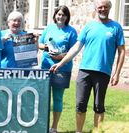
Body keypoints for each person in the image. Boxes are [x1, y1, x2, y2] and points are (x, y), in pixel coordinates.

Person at [50, 0, 125, 132]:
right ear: (96, 9)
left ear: (109, 8)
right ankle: (79, 131)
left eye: (106, 7)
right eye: (100, 7)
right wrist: (61, 63)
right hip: (84, 71)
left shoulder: (116, 27)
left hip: (103, 72)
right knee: (80, 105)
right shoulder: (89, 26)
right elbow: (76, 48)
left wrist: (117, 73)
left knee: (99, 106)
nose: (103, 9)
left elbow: (122, 51)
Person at [38, 5, 77, 133]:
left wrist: (61, 56)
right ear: (55, 15)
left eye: (63, 15)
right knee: (42, 97)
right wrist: (47, 48)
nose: (60, 17)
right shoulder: (49, 28)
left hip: (62, 69)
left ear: (67, 17)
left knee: (58, 98)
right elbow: (39, 43)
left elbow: (73, 51)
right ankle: (41, 125)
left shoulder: (71, 31)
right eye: (58, 14)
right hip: (45, 66)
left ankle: (54, 127)